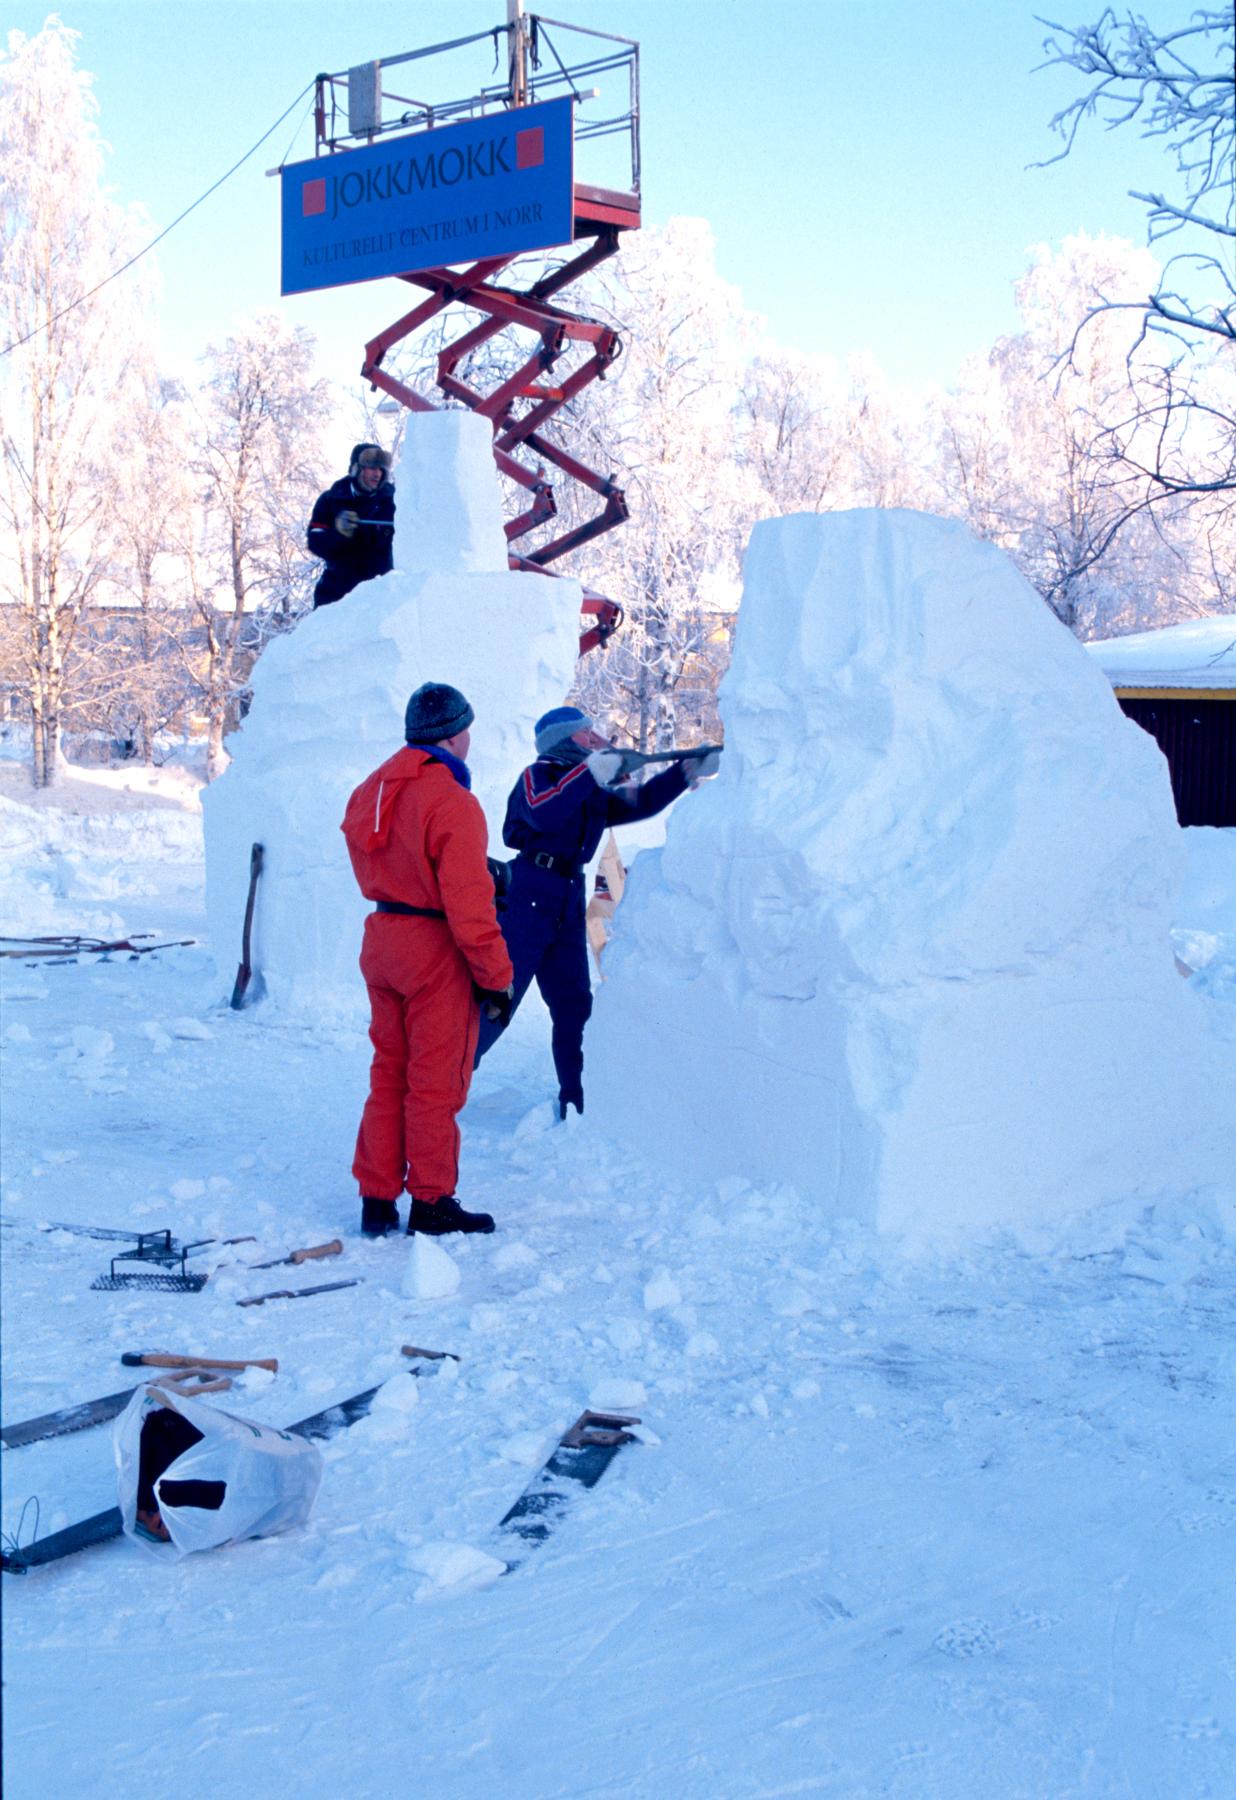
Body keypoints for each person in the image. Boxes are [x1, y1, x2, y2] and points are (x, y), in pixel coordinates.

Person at [476, 706, 721, 1118]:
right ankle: (441, 1081)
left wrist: (683, 773)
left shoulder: (591, 785)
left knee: (574, 1005)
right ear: (564, 740)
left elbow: (640, 802)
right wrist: (590, 772)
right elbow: (545, 811)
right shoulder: (538, 776)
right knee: (499, 998)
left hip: (569, 895)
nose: (596, 737)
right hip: (529, 893)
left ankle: (578, 1101)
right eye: (586, 733)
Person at [341, 682, 515, 1238]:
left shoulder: (370, 790)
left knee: (389, 1072)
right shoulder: (452, 801)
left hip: (383, 938)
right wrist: (496, 977)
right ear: (455, 735)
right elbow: (469, 905)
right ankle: (433, 1201)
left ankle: (376, 1197)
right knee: (435, 1082)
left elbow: (391, 858)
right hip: (433, 950)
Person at [308, 443, 395, 609]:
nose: (377, 474)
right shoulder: (330, 500)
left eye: (380, 468)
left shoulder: (395, 501)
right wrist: (338, 533)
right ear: (356, 469)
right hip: (336, 595)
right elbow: (315, 542)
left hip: (380, 599)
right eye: (371, 467)